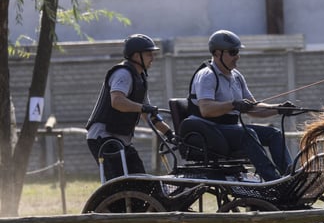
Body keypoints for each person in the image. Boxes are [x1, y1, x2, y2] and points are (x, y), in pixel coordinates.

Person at [188, 29, 295, 181]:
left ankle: (289, 177)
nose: (237, 56)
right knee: (247, 133)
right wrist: (233, 104)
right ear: (217, 53)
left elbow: (253, 108)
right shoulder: (207, 76)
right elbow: (206, 109)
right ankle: (273, 180)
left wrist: (278, 108)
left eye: (237, 51)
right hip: (211, 130)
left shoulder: (237, 77)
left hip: (231, 130)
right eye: (233, 52)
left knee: (274, 133)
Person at [86, 34, 175, 181]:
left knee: (140, 180)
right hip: (103, 136)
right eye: (148, 54)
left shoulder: (140, 78)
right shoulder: (123, 74)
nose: (152, 58)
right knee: (119, 183)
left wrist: (169, 133)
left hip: (119, 138)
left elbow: (148, 113)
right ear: (135, 55)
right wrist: (143, 108)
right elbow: (118, 101)